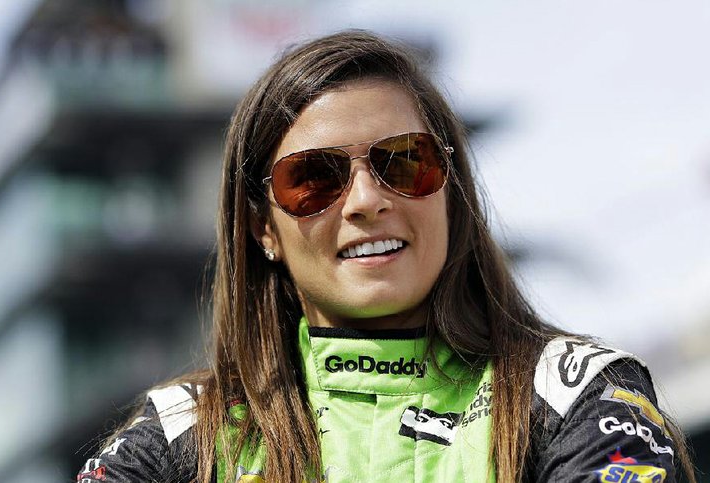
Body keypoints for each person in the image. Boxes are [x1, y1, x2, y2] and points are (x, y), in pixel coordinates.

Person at [76, 30, 696, 483]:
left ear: (450, 189)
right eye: (314, 178)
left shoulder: (580, 394)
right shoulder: (189, 431)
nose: (367, 200)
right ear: (262, 229)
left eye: (404, 162)